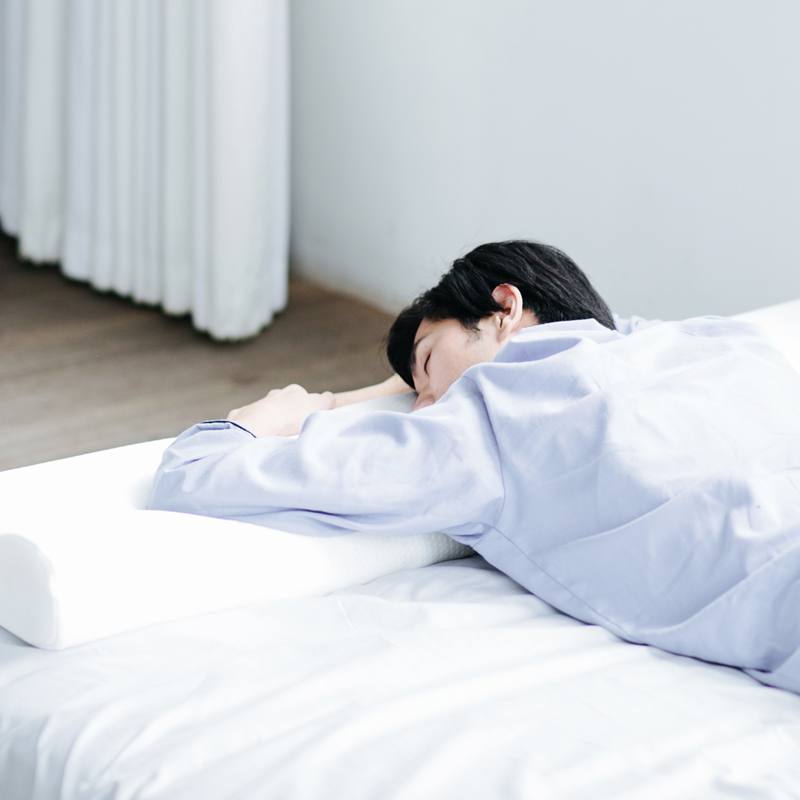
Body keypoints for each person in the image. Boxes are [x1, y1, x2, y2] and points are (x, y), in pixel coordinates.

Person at [149, 240, 800, 694]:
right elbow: (604, 325)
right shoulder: (711, 341)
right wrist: (413, 374)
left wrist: (273, 416)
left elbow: (192, 473)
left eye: (429, 364)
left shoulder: (485, 426)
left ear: (505, 306)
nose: (425, 406)